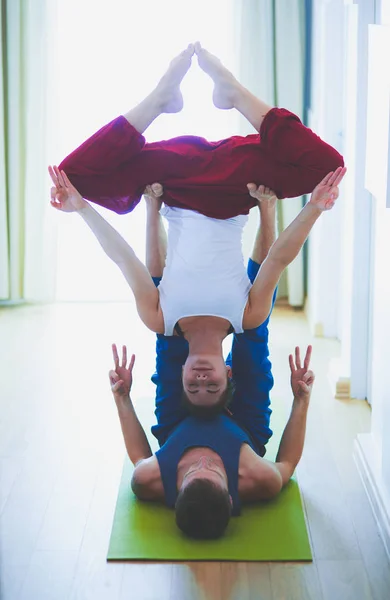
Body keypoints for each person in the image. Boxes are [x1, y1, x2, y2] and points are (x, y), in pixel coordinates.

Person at [49, 164, 345, 413]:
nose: (202, 378)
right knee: (327, 162)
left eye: (193, 385)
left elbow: (126, 259)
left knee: (76, 168)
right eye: (212, 385)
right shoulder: (248, 317)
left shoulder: (159, 320)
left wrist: (82, 208)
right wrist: (314, 206)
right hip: (233, 195)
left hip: (178, 194)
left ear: (181, 375)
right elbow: (276, 259)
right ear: (228, 373)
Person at [108, 189, 314, 540]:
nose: (204, 460)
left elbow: (141, 457)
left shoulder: (148, 482)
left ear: (176, 488)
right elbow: (287, 464)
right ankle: (267, 208)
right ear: (232, 491)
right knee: (254, 326)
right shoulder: (258, 479)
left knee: (168, 321)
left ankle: (153, 207)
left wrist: (122, 398)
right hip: (243, 422)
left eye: (192, 470)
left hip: (179, 415)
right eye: (214, 468)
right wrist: (301, 401)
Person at [57, 42, 344, 219]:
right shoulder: (242, 310)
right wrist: (307, 207)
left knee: (71, 178)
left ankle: (160, 99)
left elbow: (72, 177)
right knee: (329, 169)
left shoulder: (165, 305)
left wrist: (78, 202)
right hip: (239, 181)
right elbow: (270, 261)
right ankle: (234, 94)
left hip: (173, 177)